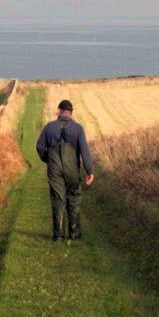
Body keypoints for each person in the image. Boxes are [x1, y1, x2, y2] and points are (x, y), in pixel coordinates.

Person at [35, 98, 94, 241]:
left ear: (59, 111)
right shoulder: (78, 128)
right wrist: (89, 171)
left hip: (54, 168)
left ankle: (58, 235)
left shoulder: (49, 127)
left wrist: (48, 159)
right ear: (71, 112)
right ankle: (74, 233)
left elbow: (40, 147)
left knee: (57, 199)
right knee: (73, 198)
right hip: (72, 168)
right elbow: (84, 151)